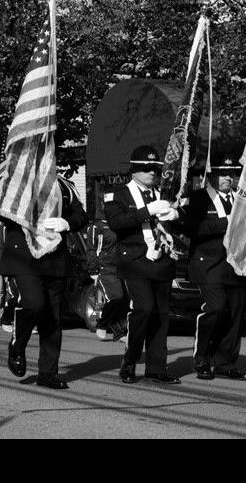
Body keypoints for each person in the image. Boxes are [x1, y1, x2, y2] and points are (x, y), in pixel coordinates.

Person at [1, 176, 88, 390]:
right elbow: (2, 213)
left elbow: (81, 215)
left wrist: (67, 222)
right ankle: (17, 345)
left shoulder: (63, 185)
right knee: (34, 303)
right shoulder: (16, 176)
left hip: (54, 257)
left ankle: (48, 373)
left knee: (52, 318)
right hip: (24, 255)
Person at [105, 145, 182, 385]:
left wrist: (177, 215)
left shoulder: (163, 193)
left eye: (155, 169)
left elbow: (182, 221)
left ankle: (157, 368)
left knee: (160, 315)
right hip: (135, 260)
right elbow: (117, 222)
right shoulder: (119, 194)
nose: (152, 173)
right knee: (144, 309)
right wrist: (147, 211)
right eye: (146, 168)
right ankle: (130, 361)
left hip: (162, 260)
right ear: (134, 170)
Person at [180, 153, 246, 381]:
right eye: (222, 173)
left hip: (236, 264)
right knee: (216, 307)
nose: (228, 178)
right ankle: (202, 357)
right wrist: (225, 223)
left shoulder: (243, 199)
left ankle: (225, 362)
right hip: (209, 264)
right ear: (212, 175)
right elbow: (192, 228)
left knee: (235, 313)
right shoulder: (198, 199)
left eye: (231, 174)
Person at [85, 219, 129, 342]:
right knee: (116, 297)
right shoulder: (97, 226)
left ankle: (120, 333)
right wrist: (93, 269)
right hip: (105, 267)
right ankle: (102, 323)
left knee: (123, 300)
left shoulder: (121, 221)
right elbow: (91, 248)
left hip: (121, 266)